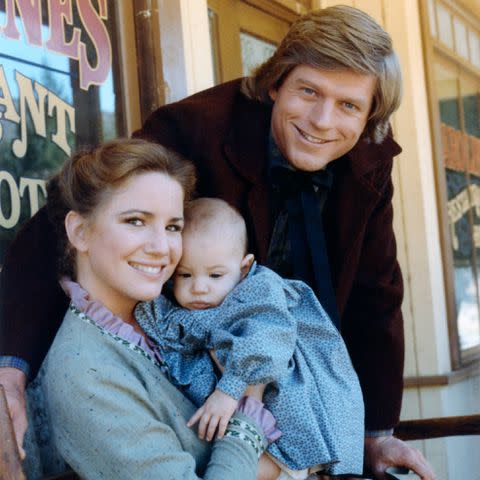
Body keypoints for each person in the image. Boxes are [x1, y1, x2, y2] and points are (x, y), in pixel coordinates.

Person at [0, 5, 436, 480]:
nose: (322, 121)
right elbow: (65, 217)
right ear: (276, 84)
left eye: (349, 105)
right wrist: (11, 363)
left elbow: (378, 293)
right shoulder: (196, 127)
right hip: (203, 384)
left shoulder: (368, 158)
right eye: (308, 91)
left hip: (304, 375)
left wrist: (376, 433)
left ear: (371, 114)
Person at [21, 138, 274, 479]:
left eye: (172, 226)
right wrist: (251, 408)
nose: (161, 247)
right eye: (136, 221)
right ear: (80, 232)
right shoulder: (87, 372)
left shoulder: (174, 307)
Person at [135, 197, 365, 479]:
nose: (199, 288)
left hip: (284, 416)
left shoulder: (258, 290)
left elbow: (268, 339)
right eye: (185, 274)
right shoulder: (184, 312)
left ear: (244, 268)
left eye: (215, 274)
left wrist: (229, 388)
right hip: (235, 432)